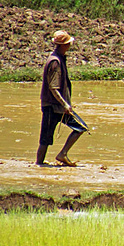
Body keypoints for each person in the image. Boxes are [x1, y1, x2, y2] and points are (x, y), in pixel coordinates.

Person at [36, 30, 87, 166]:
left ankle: (62, 154)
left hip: (59, 107)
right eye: (68, 43)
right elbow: (53, 87)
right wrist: (65, 104)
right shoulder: (55, 62)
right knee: (45, 138)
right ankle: (39, 164)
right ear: (64, 45)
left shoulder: (59, 58)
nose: (70, 45)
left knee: (81, 127)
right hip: (53, 107)